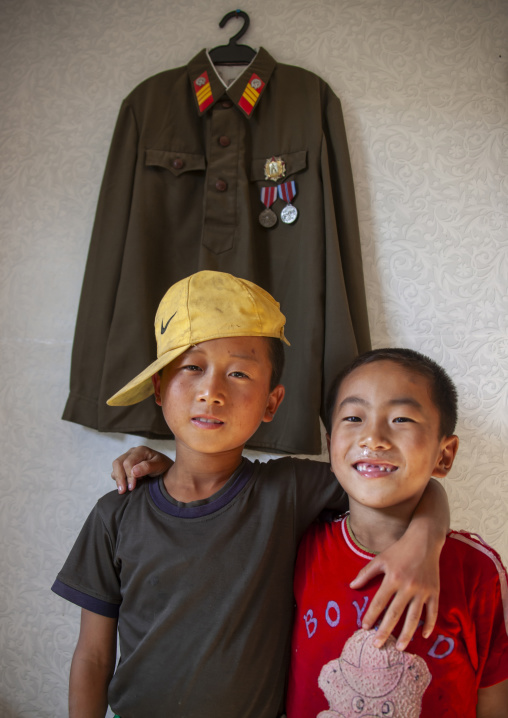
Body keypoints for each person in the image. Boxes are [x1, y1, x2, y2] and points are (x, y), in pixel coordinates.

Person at [54, 271, 449, 718]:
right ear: (160, 389)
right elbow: (92, 657)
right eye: (192, 367)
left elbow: (409, 484)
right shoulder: (116, 514)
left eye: (239, 372)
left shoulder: (287, 491)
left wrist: (423, 545)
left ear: (271, 403)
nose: (211, 391)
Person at [285, 348, 508, 718]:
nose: (373, 438)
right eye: (354, 417)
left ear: (445, 455)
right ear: (330, 445)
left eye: (401, 418)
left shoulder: (478, 571)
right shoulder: (301, 544)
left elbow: (494, 697)